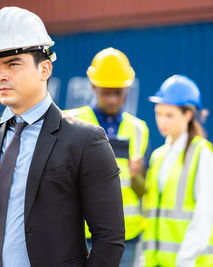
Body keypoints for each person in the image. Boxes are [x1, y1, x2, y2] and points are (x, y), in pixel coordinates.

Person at [0, 7, 125, 267]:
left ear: (45, 69)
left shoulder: (85, 142)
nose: (1, 76)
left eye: (13, 64)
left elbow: (110, 240)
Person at [67, 48, 149, 267]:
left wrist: (138, 174)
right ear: (93, 87)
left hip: (126, 235)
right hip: (81, 233)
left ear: (127, 90)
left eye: (118, 92)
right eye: (106, 92)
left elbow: (142, 190)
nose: (112, 99)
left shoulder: (139, 129)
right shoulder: (73, 122)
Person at [142, 75, 213, 267]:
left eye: (169, 115)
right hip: (157, 262)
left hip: (190, 262)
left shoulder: (202, 154)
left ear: (187, 115)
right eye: (158, 113)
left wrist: (185, 260)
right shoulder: (159, 156)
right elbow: (152, 212)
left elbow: (203, 216)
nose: (162, 121)